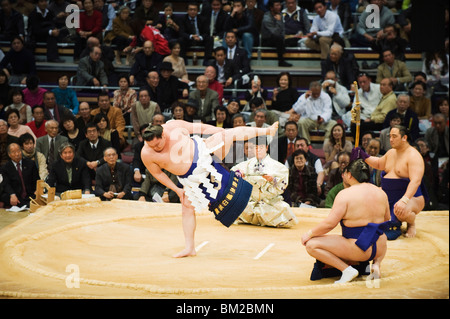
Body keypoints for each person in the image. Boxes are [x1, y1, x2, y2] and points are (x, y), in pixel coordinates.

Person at [141, 120, 279, 257]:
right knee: (187, 207)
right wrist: (177, 190)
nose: (155, 148)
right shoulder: (147, 153)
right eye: (151, 146)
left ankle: (267, 131)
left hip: (206, 154)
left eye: (158, 144)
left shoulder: (173, 127)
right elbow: (157, 173)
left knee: (229, 134)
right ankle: (190, 248)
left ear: (163, 135)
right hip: (191, 179)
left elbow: (198, 127)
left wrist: (216, 131)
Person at [301, 159, 390, 284]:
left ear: (349, 175)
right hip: (380, 247)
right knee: (378, 234)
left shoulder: (345, 194)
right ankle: (376, 264)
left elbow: (330, 224)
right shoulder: (381, 193)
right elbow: (387, 220)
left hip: (359, 249)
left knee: (311, 245)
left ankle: (347, 270)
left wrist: (309, 234)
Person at [353, 125, 428, 240]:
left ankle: (411, 223)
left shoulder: (413, 156)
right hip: (389, 195)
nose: (391, 139)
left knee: (403, 211)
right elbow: (378, 164)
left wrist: (404, 200)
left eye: (394, 136)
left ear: (404, 138)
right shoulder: (391, 152)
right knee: (366, 204)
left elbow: (416, 181)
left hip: (411, 197)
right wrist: (364, 156)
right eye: (390, 137)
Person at [231, 136, 297, 227]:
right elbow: (234, 172)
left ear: (266, 147)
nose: (258, 150)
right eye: (256, 147)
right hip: (250, 201)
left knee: (283, 208)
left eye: (261, 147)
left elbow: (282, 183)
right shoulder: (246, 164)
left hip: (269, 202)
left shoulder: (278, 166)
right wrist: (239, 174)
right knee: (233, 203)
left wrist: (273, 180)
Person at [0, 142, 39, 207]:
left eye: (18, 151)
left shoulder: (31, 164)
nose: (17, 154)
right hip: (15, 196)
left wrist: (37, 190)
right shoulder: (5, 168)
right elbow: (6, 184)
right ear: (9, 154)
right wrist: (12, 194)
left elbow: (37, 180)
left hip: (30, 195)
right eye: (13, 152)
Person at [261, 0, 292, 67]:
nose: (279, 7)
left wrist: (283, 37)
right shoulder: (267, 18)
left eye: (280, 5)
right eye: (277, 5)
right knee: (278, 38)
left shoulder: (279, 14)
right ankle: (281, 61)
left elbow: (283, 29)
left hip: (278, 38)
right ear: (271, 8)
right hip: (267, 40)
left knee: (290, 40)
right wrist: (278, 21)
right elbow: (275, 33)